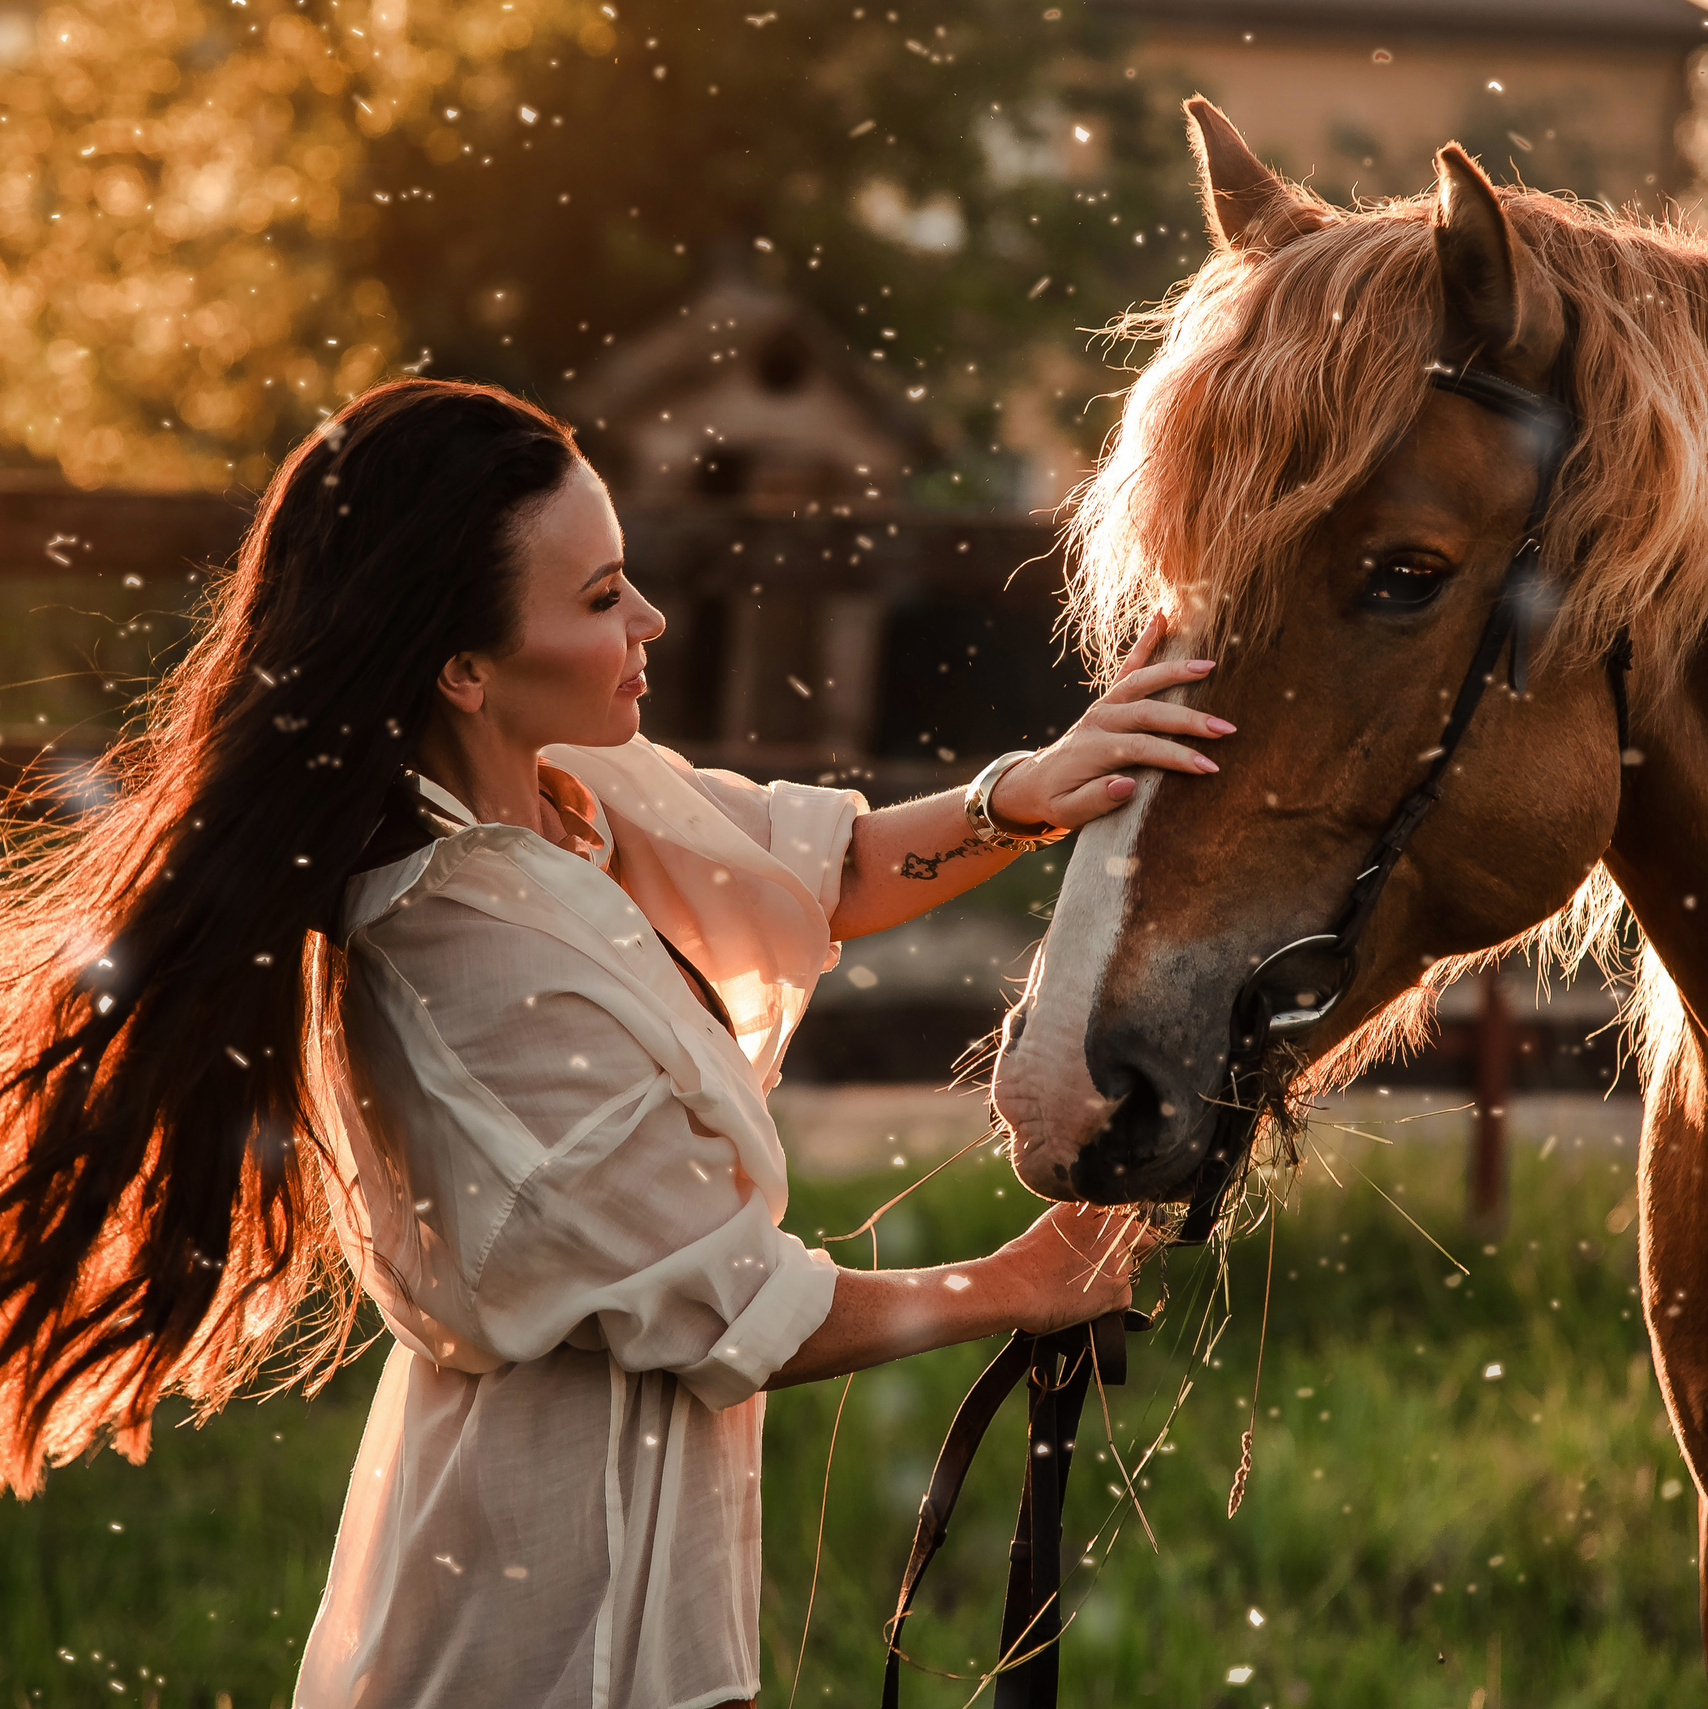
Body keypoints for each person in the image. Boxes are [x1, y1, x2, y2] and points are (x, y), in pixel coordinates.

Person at [0, 380, 1231, 1708]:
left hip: (628, 1575)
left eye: (628, 580)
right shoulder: (461, 951)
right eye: (597, 601)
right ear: (463, 667)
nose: (646, 620)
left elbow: (832, 869)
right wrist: (1014, 1282)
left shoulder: (577, 793)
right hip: (537, 1617)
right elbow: (737, 1305)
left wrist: (1029, 791)